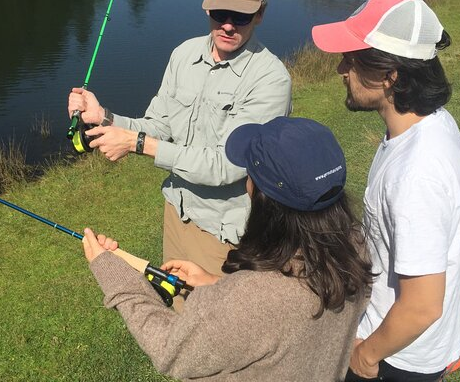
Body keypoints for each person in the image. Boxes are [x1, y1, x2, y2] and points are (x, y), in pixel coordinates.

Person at [68, 0, 292, 304]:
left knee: (219, 329)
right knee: (175, 307)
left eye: (241, 16)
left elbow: (226, 166)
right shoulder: (184, 54)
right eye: (219, 12)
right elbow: (159, 125)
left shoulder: (270, 79)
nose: (228, 26)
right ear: (207, 8)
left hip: (225, 233)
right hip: (177, 213)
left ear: (260, 13)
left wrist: (138, 144)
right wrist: (104, 118)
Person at [82, 116, 373, 381]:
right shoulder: (354, 248)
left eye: (251, 175)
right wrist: (215, 283)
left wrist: (115, 275)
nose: (247, 183)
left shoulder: (254, 297)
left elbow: (171, 350)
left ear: (262, 196)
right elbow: (286, 312)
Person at [312, 0, 460, 381]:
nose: (340, 69)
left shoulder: (418, 173)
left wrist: (367, 356)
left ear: (390, 75)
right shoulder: (429, 123)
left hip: (398, 359)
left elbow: (422, 306)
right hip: (395, 342)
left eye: (351, 60)